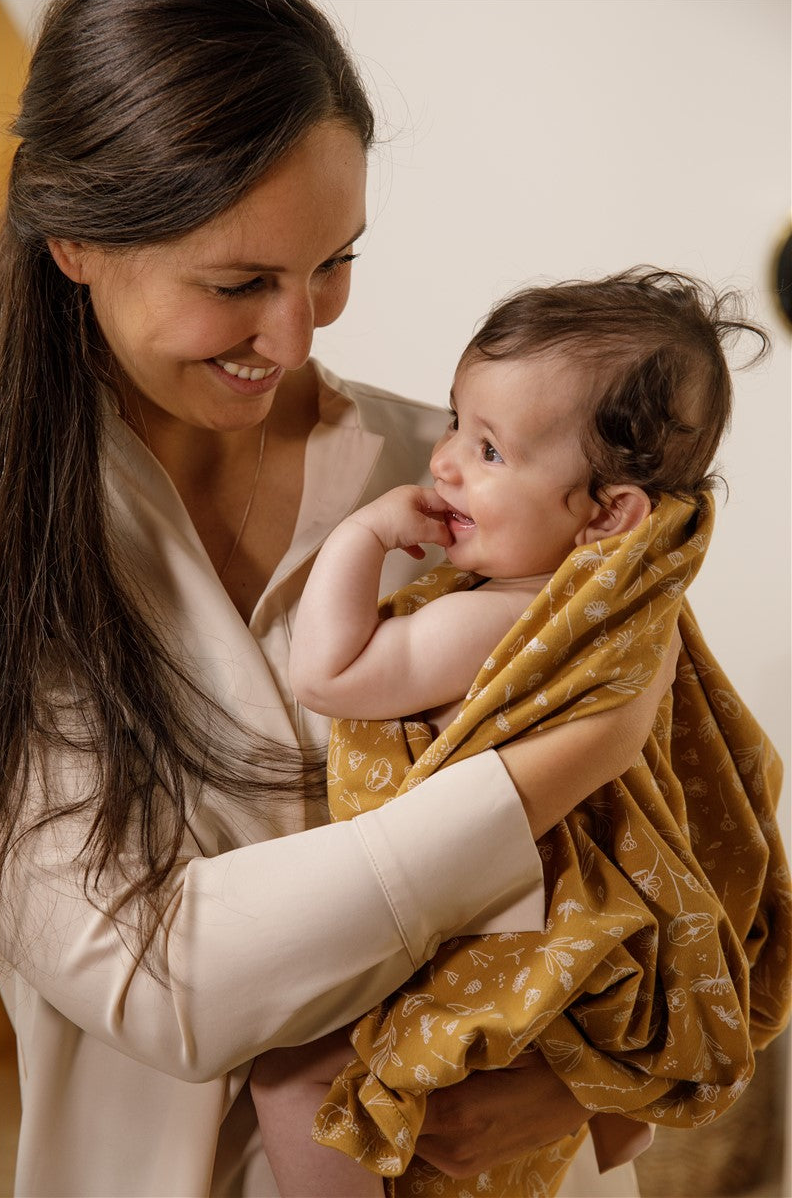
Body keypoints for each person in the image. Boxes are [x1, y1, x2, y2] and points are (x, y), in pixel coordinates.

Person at [0, 3, 688, 1197]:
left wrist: (590, 1089)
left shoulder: (488, 497)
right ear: (75, 244)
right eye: (239, 280)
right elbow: (156, 977)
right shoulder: (17, 543)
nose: (298, 331)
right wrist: (544, 772)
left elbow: (707, 874)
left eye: (334, 263)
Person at [249, 271, 792, 1198]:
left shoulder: (504, 618)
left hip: (512, 950)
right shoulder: (614, 612)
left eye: (490, 450)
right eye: (460, 421)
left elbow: (327, 674)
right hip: (558, 959)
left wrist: (366, 535)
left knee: (294, 1076)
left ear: (608, 515)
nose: (447, 459)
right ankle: (609, 1141)